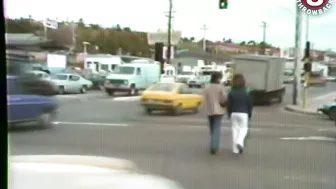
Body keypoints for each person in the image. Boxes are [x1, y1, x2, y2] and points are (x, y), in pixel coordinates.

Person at [226, 73, 253, 155]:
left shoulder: (231, 92)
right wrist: (249, 114)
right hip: (244, 113)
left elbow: (229, 104)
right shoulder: (246, 92)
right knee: (244, 129)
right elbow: (250, 104)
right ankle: (240, 142)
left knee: (235, 130)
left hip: (234, 113)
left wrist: (229, 113)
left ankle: (235, 149)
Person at [203, 71, 227, 155]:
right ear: (218, 78)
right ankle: (214, 146)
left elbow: (204, 99)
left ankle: (213, 142)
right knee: (217, 128)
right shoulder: (221, 87)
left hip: (209, 110)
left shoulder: (207, 87)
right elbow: (224, 99)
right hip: (219, 110)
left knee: (212, 128)